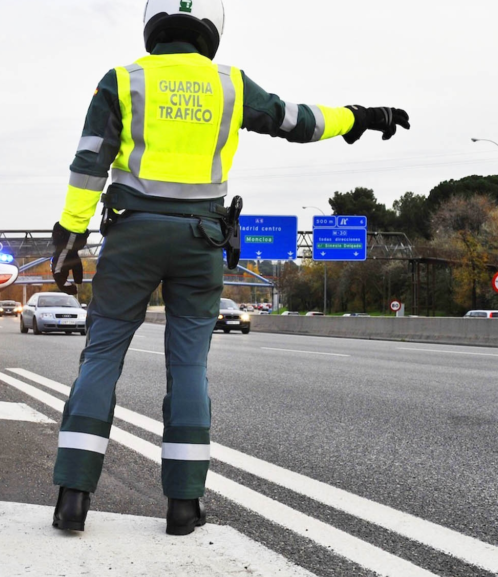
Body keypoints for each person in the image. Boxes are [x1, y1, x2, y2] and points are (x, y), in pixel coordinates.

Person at [49, 0, 410, 536]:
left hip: (132, 238)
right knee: (188, 368)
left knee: (101, 356)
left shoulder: (122, 80)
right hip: (201, 242)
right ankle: (183, 506)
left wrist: (70, 233)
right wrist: (360, 117)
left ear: (153, 25)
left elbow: (89, 162)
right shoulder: (231, 84)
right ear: (211, 30)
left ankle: (73, 497)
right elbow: (300, 121)